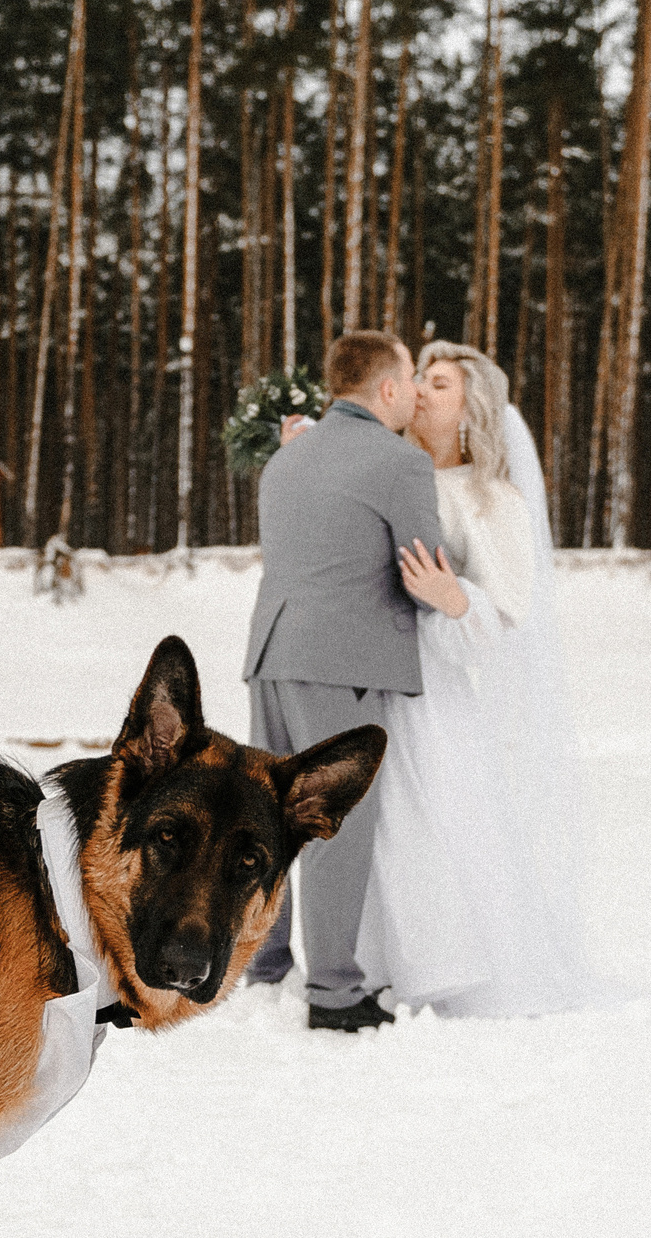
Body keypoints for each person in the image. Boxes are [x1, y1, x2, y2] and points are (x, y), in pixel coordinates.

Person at [351, 341, 597, 1018]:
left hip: (435, 691)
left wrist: (453, 597)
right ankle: (369, 965)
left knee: (428, 823)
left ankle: (447, 968)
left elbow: (506, 615)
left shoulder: (494, 502)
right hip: (365, 680)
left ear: (471, 409)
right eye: (418, 380)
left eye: (439, 383)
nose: (421, 391)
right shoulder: (388, 473)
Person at [243, 330, 447, 1032]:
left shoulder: (286, 459)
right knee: (336, 824)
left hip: (271, 652)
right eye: (413, 376)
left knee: (267, 818)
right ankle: (333, 992)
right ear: (386, 388)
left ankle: (264, 962)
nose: (418, 388)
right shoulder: (400, 463)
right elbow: (427, 576)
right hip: (344, 663)